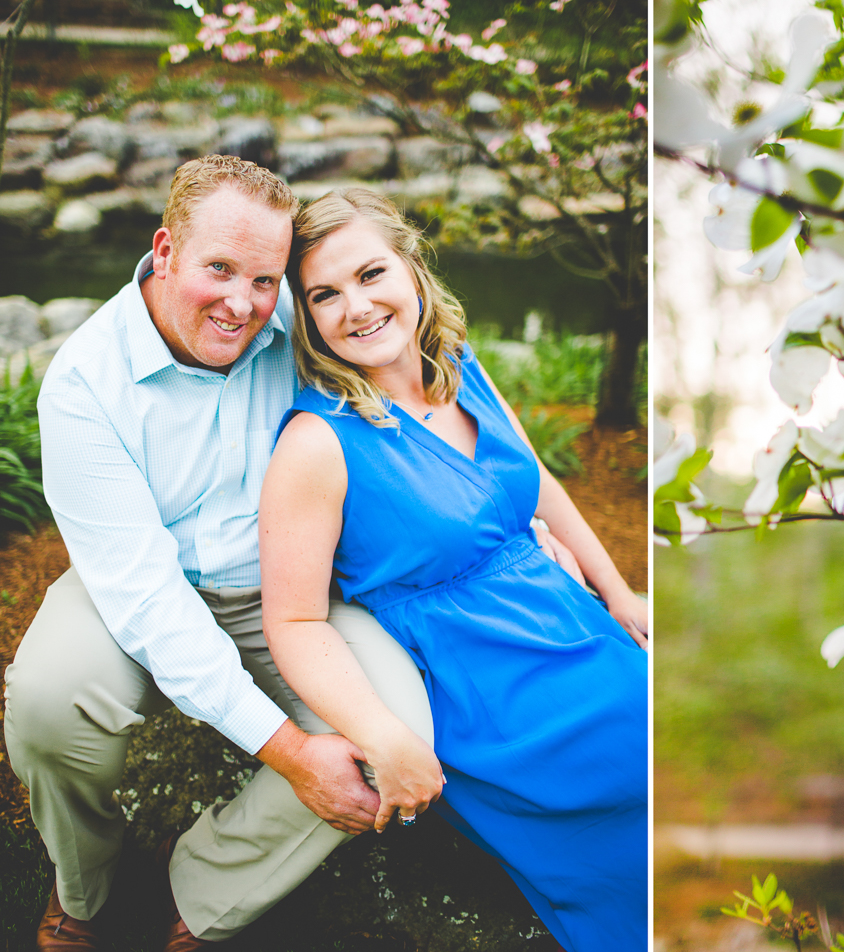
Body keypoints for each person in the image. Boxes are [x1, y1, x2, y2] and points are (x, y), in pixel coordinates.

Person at [2, 156, 439, 950]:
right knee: (44, 698)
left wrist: (513, 515)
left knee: (396, 730)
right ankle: (87, 885)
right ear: (165, 252)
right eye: (220, 269)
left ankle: (201, 889)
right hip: (134, 582)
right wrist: (293, 753)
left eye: (267, 278)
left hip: (287, 588)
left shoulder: (298, 324)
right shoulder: (84, 382)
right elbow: (147, 601)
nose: (243, 304)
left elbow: (423, 367)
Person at [259, 188, 648, 952]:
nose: (357, 307)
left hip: (568, 624)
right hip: (482, 688)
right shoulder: (317, 441)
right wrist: (382, 732)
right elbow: (293, 621)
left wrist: (618, 590)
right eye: (325, 295)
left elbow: (538, 478)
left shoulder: (460, 365)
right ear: (305, 317)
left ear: (411, 266)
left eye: (371, 273)